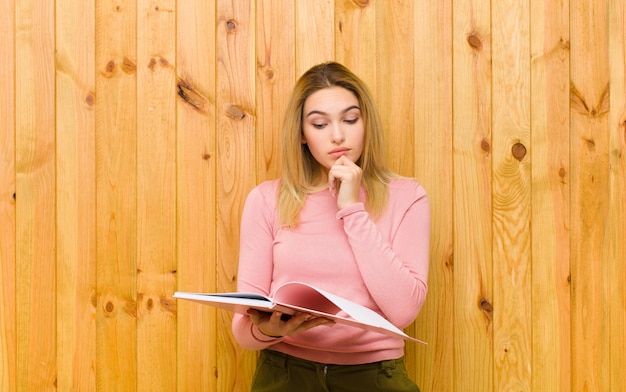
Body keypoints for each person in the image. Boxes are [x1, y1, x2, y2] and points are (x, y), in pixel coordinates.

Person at [232, 61, 430, 392]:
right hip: (285, 373)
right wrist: (270, 330)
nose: (338, 135)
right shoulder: (266, 200)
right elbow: (243, 328)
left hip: (375, 376)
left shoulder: (408, 197)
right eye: (320, 124)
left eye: (350, 120)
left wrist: (352, 208)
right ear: (301, 134)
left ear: (366, 124)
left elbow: (403, 311)